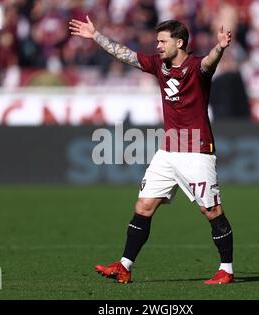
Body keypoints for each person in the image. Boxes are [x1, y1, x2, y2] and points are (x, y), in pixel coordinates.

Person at [69, 16, 234, 284]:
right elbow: (127, 56)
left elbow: (209, 62)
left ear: (179, 42)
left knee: (211, 211)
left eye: (162, 41)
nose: (157, 46)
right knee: (144, 206)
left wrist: (220, 47)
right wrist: (95, 35)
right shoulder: (159, 64)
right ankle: (124, 266)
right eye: (157, 41)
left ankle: (226, 269)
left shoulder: (195, 67)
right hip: (168, 152)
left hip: (196, 150)